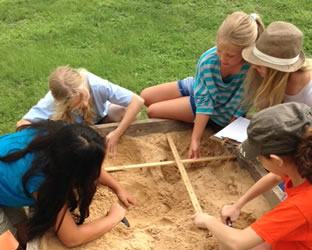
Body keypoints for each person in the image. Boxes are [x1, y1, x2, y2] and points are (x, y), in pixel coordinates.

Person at [192, 102, 312, 250]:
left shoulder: (301, 205)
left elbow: (239, 242)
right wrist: (238, 204)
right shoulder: (302, 166)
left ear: (277, 160)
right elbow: (275, 177)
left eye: (260, 158)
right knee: (226, 245)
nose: (259, 161)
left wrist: (207, 221)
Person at [0, 120, 135, 250]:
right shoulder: (43, 183)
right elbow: (71, 238)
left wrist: (118, 187)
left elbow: (89, 162)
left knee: (24, 238)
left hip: (4, 182)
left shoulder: (67, 136)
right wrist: (114, 217)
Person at [140, 11, 264, 159]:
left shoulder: (252, 69)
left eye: (230, 55)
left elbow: (241, 102)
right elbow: (205, 99)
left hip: (220, 108)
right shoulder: (208, 60)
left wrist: (228, 128)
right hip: (201, 90)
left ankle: (193, 118)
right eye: (219, 50)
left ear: (246, 52)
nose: (223, 58)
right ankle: (190, 111)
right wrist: (195, 139)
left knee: (152, 111)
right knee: (145, 97)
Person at [16, 66, 145, 156]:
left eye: (86, 96)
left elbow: (137, 101)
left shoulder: (96, 85)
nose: (84, 103)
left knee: (127, 112)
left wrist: (117, 133)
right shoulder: (51, 103)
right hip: (75, 132)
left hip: (102, 118)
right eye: (77, 103)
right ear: (64, 104)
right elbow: (22, 124)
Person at [242, 21, 312, 110]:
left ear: (276, 70)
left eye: (260, 64)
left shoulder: (309, 93)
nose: (254, 67)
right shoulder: (276, 79)